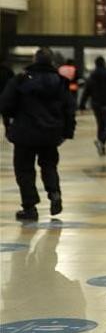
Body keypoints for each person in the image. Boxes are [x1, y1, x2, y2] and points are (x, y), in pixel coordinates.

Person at [0, 48, 75, 221]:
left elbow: (5, 104)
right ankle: (54, 193)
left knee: (24, 170)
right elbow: (69, 109)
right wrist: (67, 132)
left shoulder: (20, 80)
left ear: (34, 60)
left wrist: (11, 122)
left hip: (24, 134)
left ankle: (30, 207)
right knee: (49, 165)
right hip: (50, 133)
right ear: (51, 62)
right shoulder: (61, 82)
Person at [80, 56, 106, 156]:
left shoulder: (92, 75)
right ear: (104, 63)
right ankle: (101, 142)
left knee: (101, 125)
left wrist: (82, 104)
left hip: (96, 104)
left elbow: (87, 91)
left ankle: (102, 148)